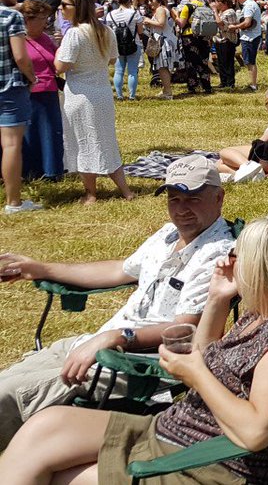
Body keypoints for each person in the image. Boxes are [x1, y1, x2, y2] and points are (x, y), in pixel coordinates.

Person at [0, 212, 268, 483]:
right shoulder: (262, 312)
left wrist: (195, 377)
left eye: (237, 256)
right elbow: (205, 355)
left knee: (49, 474)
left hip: (203, 463)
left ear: (264, 268)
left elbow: (256, 432)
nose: (229, 263)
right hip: (172, 429)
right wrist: (217, 297)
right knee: (45, 426)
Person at [0, 155, 234, 449]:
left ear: (219, 197)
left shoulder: (218, 254)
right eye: (174, 199)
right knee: (5, 380)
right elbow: (118, 270)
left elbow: (184, 329)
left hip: (135, 364)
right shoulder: (167, 234)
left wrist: (117, 337)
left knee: (8, 396)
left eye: (193, 199)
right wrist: (41, 268)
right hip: (93, 343)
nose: (182, 209)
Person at [57, 0, 134, 203]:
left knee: (84, 143)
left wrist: (57, 49)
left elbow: (60, 65)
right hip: (102, 93)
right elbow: (112, 59)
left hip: (80, 95)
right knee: (107, 141)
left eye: (65, 5)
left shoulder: (74, 33)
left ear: (77, 8)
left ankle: (91, 194)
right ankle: (126, 191)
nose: (61, 9)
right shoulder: (105, 30)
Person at [0, 0, 38, 213]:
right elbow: (21, 56)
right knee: (11, 144)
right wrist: (32, 77)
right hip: (9, 87)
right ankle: (13, 201)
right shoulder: (10, 17)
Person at [18, 0, 63, 182]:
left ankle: (52, 170)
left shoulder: (46, 38)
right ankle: (30, 171)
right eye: (43, 18)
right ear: (28, 20)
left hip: (49, 90)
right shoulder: (17, 39)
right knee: (30, 134)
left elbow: (56, 62)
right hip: (29, 93)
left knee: (51, 133)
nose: (47, 22)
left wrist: (60, 47)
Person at [216, 85, 268, 177]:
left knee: (224, 152)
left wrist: (250, 152)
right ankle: (253, 176)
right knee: (219, 165)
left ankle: (251, 168)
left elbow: (263, 139)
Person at [105, 0, 143, 100]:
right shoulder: (134, 13)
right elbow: (140, 30)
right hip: (133, 44)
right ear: (129, 1)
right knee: (132, 71)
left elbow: (109, 31)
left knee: (119, 71)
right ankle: (132, 95)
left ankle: (119, 95)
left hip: (117, 45)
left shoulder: (110, 15)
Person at [143, 0, 181, 99]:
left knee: (162, 67)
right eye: (148, 1)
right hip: (165, 40)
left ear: (158, 0)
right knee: (163, 67)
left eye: (152, 0)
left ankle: (168, 92)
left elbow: (161, 23)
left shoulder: (160, 9)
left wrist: (148, 20)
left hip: (163, 42)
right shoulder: (164, 8)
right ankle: (165, 89)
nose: (149, 3)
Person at [232, 0, 263, 92]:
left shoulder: (249, 6)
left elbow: (247, 23)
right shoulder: (252, 4)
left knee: (250, 62)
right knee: (249, 61)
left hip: (250, 37)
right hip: (252, 36)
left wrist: (234, 27)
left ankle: (253, 85)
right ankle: (253, 83)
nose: (236, 0)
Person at [211, 0, 239, 89]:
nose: (215, 3)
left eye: (217, 1)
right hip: (219, 40)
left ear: (224, 3)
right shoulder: (221, 12)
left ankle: (230, 83)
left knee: (228, 63)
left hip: (227, 40)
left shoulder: (230, 12)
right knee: (221, 63)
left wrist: (214, 11)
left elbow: (220, 23)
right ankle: (223, 82)